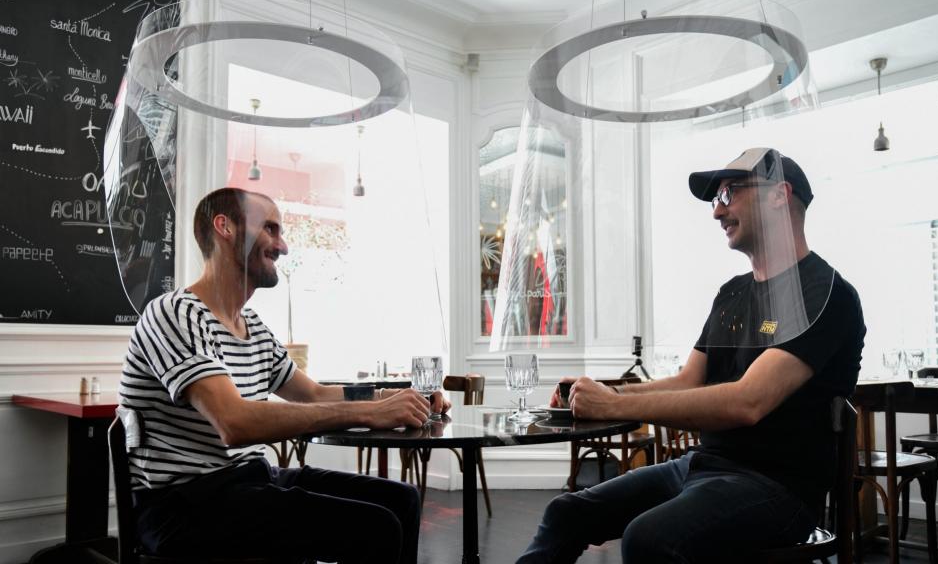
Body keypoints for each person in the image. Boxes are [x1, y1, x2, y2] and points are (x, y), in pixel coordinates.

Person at [517, 148, 866, 563]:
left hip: (777, 488)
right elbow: (688, 381)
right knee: (566, 512)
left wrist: (612, 404)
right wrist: (595, 394)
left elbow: (748, 402)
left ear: (779, 194)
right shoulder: (731, 294)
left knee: (648, 538)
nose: (716, 213)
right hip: (701, 467)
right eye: (717, 199)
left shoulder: (826, 293)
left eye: (729, 193)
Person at [119, 187, 449, 564]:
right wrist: (368, 413)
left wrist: (397, 398)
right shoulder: (176, 313)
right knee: (376, 527)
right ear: (224, 227)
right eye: (271, 230)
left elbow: (314, 394)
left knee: (401, 500)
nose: (283, 246)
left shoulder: (253, 326)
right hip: (183, 505)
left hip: (249, 480)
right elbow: (233, 422)